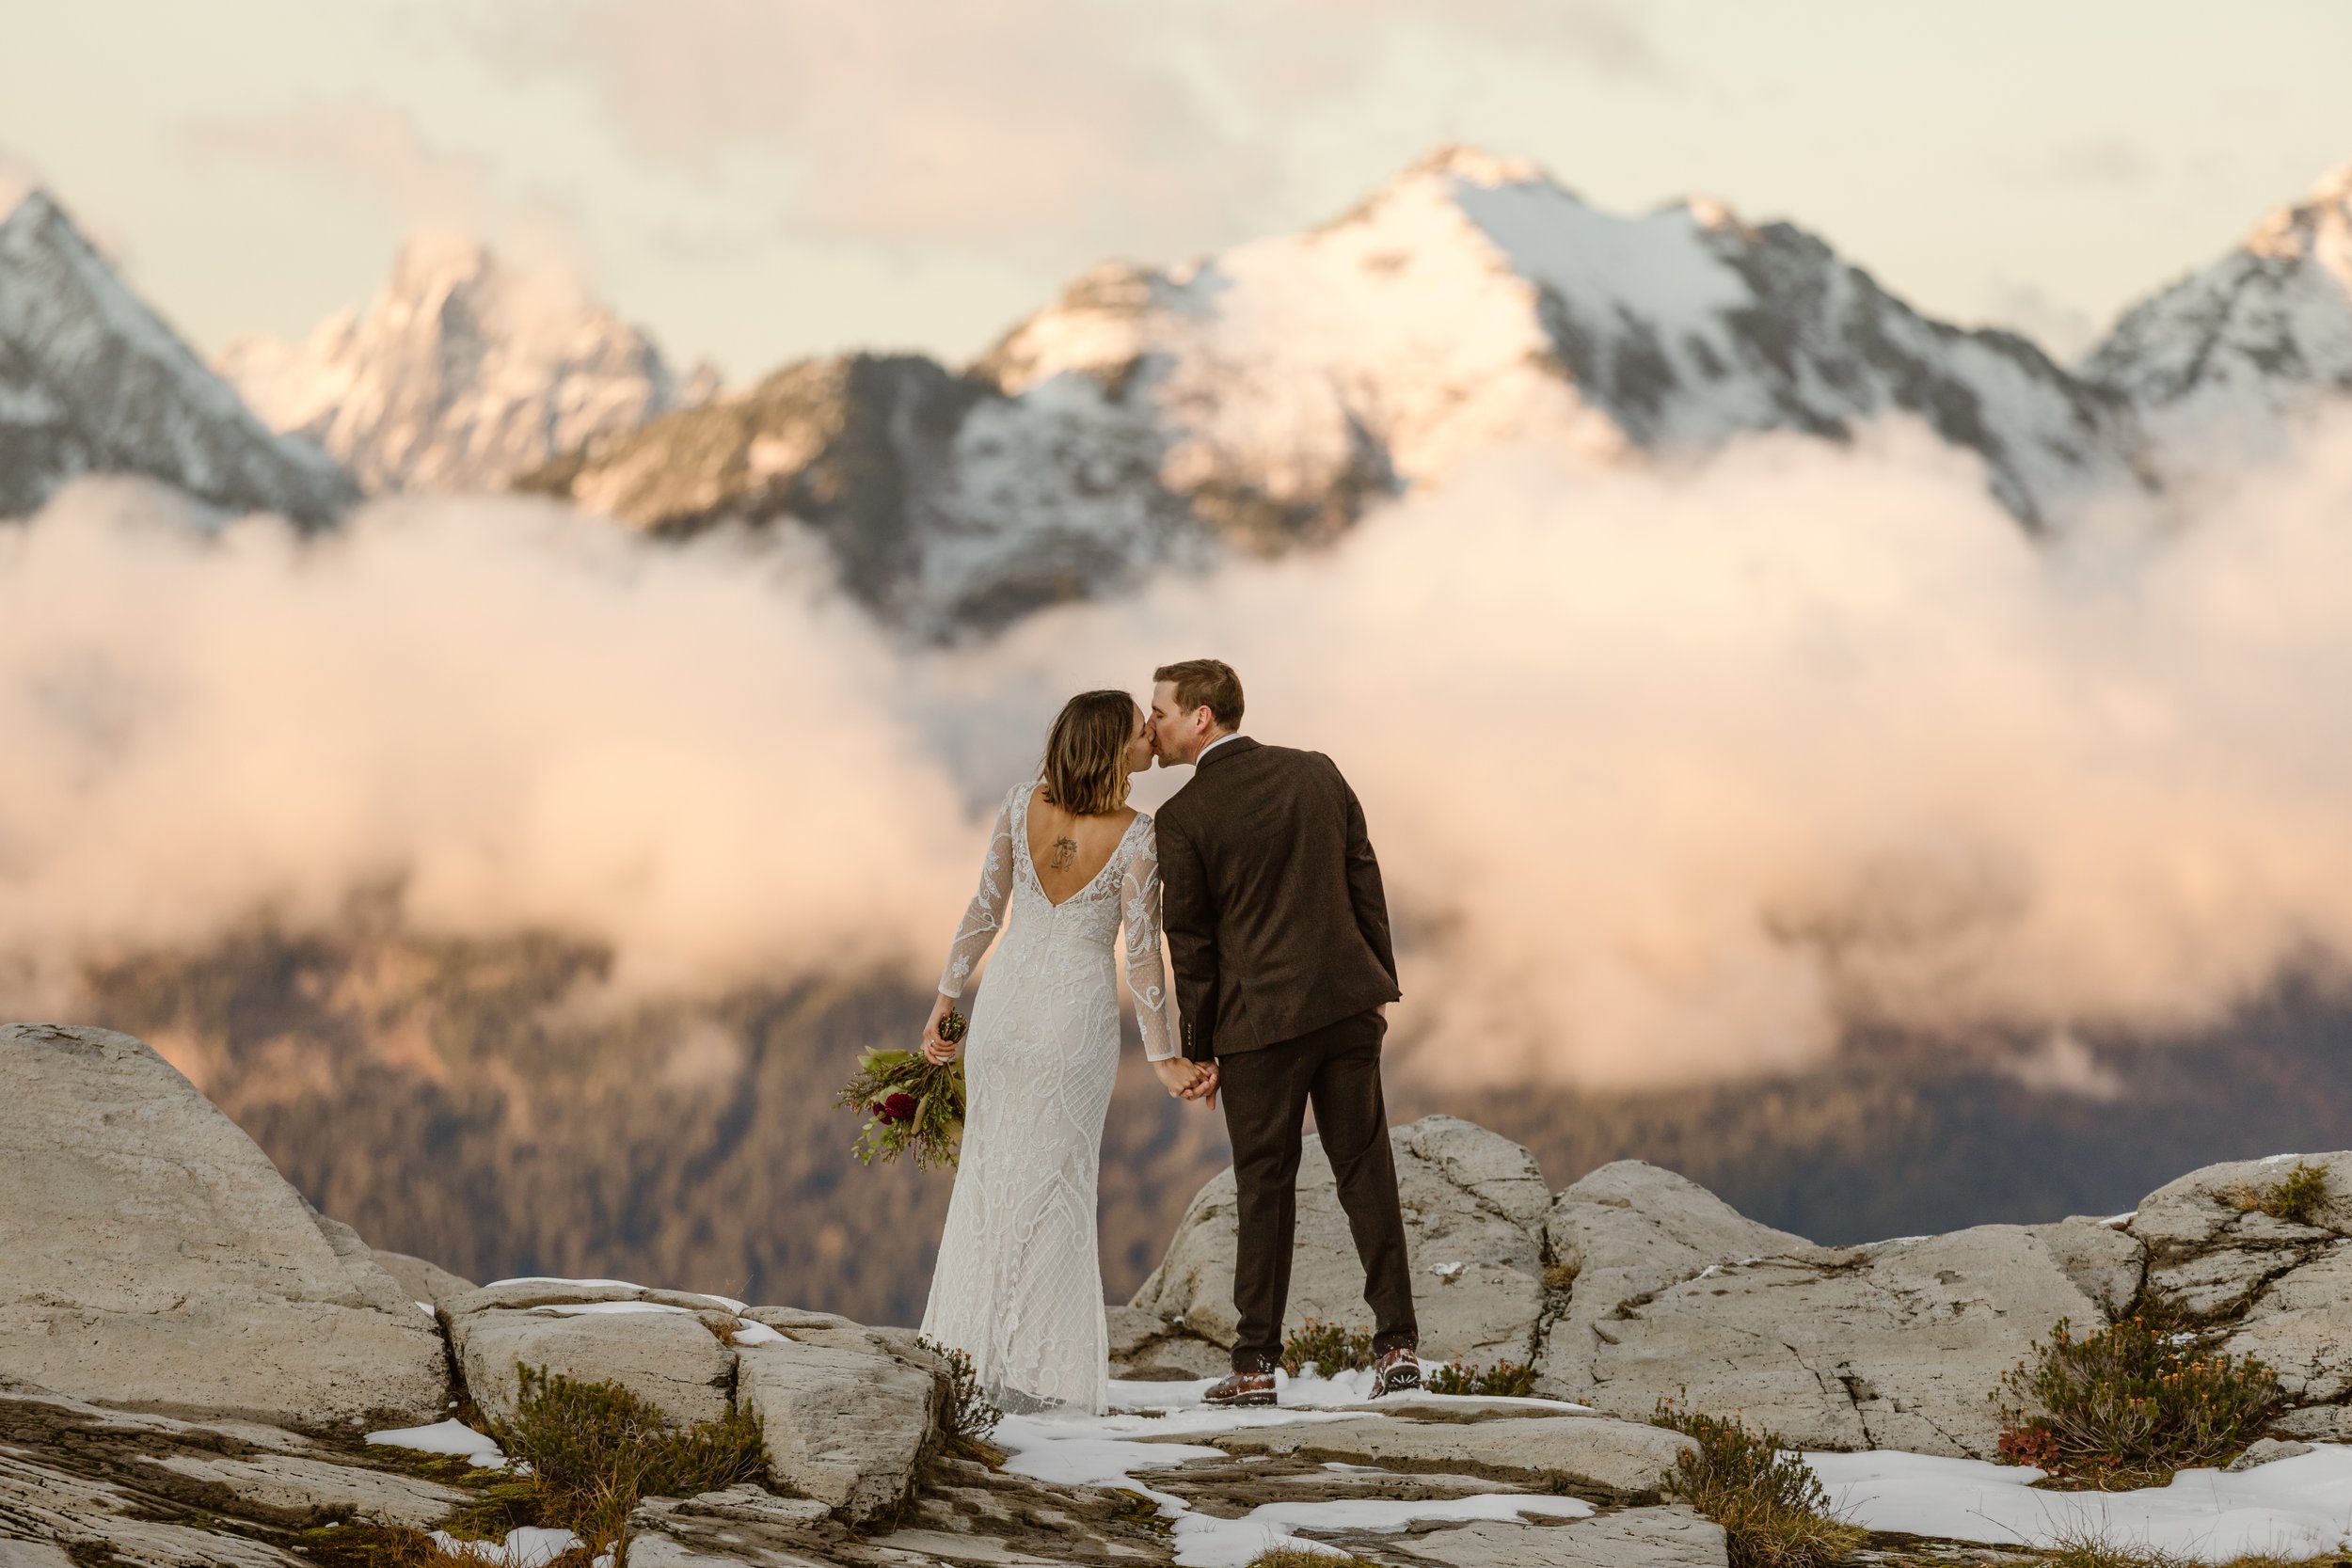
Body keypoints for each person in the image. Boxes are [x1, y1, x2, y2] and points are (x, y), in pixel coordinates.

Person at [915, 689, 1215, 1416]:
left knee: (987, 1175)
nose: (1152, 735)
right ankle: (1042, 1377)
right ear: (1114, 748)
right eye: (1141, 730)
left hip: (1006, 1009)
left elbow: (984, 909)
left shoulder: (1022, 805)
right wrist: (1166, 1056)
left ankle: (966, 1358)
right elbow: (1143, 959)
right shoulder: (1139, 836)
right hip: (1073, 1022)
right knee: (1061, 1188)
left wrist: (945, 1002)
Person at [1147, 657, 1419, 1406]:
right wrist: (1378, 982)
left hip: (1257, 1028)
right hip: (1346, 1005)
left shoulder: (1183, 817)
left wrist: (1199, 1049)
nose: (1153, 727)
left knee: (1264, 1188)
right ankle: (1396, 1345)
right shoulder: (1317, 772)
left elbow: (1191, 943)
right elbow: (1364, 873)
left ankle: (1257, 1363)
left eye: (1161, 712)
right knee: (1366, 1169)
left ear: (1202, 716)